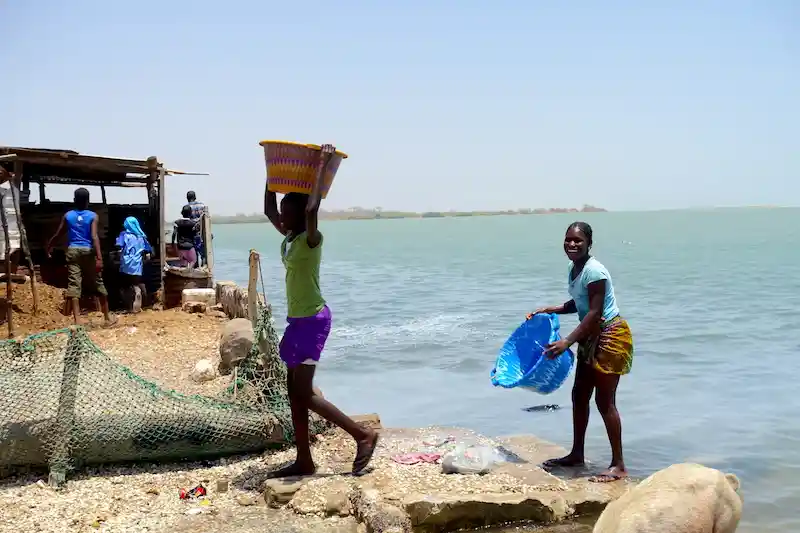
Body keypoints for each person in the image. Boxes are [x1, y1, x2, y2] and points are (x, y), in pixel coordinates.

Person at [264, 144, 378, 477]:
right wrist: (271, 174)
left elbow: (313, 208)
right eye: (282, 212)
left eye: (287, 213)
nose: (281, 217)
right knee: (293, 393)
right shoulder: (289, 238)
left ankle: (363, 434)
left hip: (314, 320)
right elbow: (268, 210)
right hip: (296, 322)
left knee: (304, 392)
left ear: (301, 216)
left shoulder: (311, 239)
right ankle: (304, 459)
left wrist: (321, 166)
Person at [529, 222, 634, 482]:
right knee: (579, 395)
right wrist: (551, 309)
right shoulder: (573, 268)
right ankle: (577, 454)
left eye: (578, 240)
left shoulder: (594, 271)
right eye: (568, 239)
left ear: (589, 244)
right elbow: (579, 304)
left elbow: (595, 313)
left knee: (604, 401)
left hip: (610, 336)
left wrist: (567, 342)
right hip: (589, 334)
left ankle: (618, 465)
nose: (572, 244)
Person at [46, 187, 116, 327]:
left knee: (74, 284)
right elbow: (94, 236)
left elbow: (59, 233)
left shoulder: (68, 215)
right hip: (87, 251)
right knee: (98, 282)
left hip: (73, 251)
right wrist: (99, 257)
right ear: (88, 201)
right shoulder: (93, 216)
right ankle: (107, 318)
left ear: (74, 200)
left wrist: (49, 246)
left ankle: (77, 321)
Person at [115, 216, 152, 313]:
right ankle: (137, 293)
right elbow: (148, 255)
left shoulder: (124, 234)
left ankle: (129, 307)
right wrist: (143, 262)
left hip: (126, 264)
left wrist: (118, 259)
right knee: (135, 283)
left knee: (125, 286)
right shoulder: (142, 237)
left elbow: (119, 249)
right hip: (137, 265)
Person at [185, 190, 207, 266]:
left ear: (187, 198)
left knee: (194, 254)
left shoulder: (187, 207)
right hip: (202, 232)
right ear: (195, 197)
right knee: (203, 254)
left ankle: (196, 269)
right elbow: (206, 219)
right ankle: (204, 268)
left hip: (191, 233)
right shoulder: (202, 205)